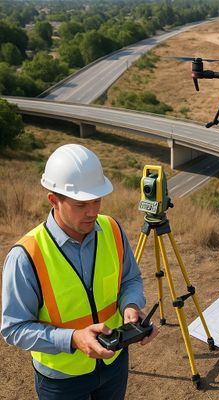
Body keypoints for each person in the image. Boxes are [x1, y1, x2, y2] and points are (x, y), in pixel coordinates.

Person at [1, 143, 157, 400]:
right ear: (54, 200)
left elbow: (130, 278)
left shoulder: (112, 230)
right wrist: (73, 339)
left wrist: (130, 306)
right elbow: (14, 329)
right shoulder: (26, 256)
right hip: (62, 381)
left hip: (114, 364)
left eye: (97, 200)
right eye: (81, 204)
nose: (93, 212)